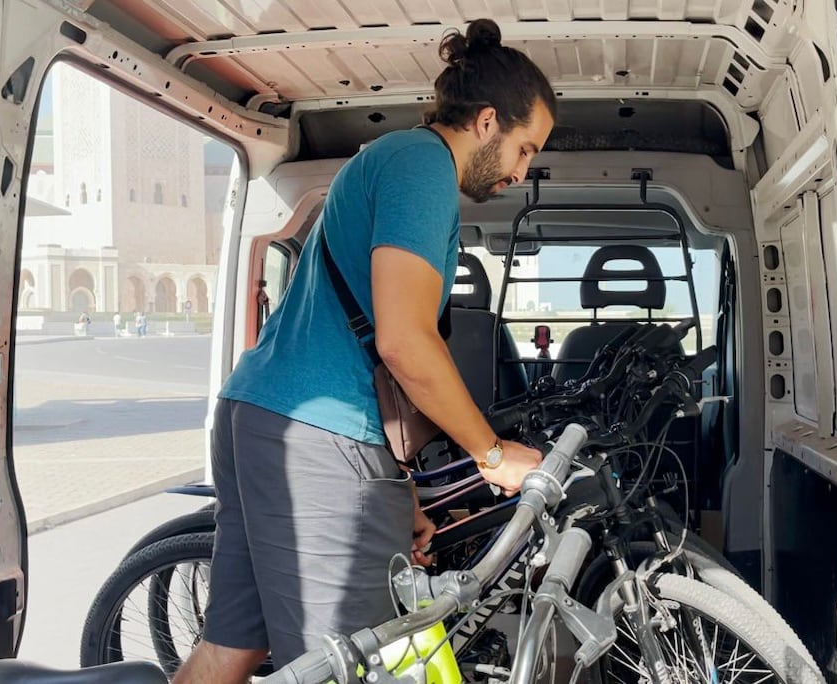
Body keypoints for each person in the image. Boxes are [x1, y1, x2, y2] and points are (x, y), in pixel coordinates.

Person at [173, 19, 557, 684]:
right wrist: (492, 456)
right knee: (353, 669)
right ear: (489, 121)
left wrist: (394, 482)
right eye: (526, 149)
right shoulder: (423, 168)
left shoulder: (393, 159)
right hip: (313, 435)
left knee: (230, 650)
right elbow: (405, 342)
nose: (523, 172)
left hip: (259, 416)